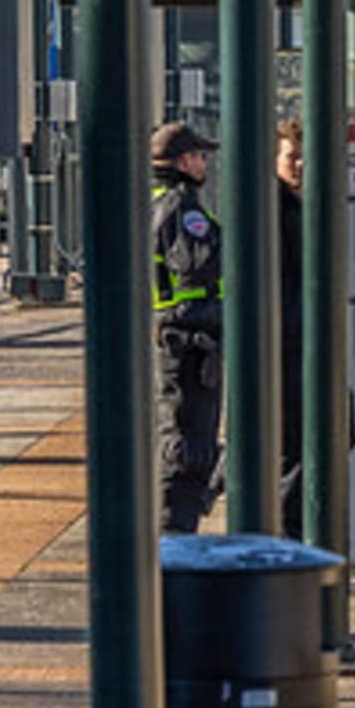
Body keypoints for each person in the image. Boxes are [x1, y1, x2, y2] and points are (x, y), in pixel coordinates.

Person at [149, 122, 226, 533]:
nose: (204, 162)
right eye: (200, 155)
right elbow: (198, 269)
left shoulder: (153, 202)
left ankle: (175, 524)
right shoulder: (183, 207)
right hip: (190, 340)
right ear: (182, 161)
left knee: (179, 434)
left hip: (174, 337)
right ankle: (175, 530)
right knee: (187, 443)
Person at [274, 116, 309, 539]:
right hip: (287, 343)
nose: (299, 165)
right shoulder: (275, 209)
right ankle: (289, 527)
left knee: (339, 427)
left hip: (303, 338)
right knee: (293, 446)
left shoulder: (300, 205)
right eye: (291, 157)